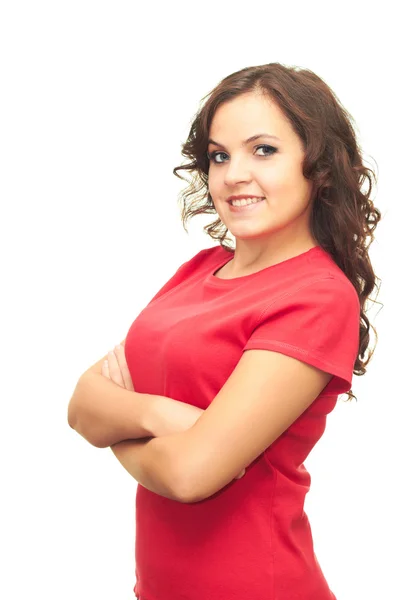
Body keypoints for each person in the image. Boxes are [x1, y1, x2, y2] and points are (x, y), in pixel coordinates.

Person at [69, 62, 382, 599]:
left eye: (263, 150)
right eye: (220, 155)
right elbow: (80, 405)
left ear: (319, 166)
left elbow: (191, 475)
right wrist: (158, 415)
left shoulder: (317, 296)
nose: (234, 173)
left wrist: (114, 432)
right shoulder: (198, 270)